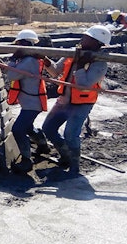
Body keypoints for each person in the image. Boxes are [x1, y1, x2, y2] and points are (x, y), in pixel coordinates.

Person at [42, 25, 112, 176]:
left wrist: (80, 65)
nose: (83, 38)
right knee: (48, 128)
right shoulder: (73, 53)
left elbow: (84, 86)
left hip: (82, 104)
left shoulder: (100, 62)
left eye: (87, 37)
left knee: (71, 134)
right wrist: (46, 61)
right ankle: (65, 156)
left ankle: (74, 166)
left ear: (96, 42)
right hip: (64, 100)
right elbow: (55, 71)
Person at [6, 29, 48, 174]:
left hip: (32, 104)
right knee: (28, 127)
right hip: (32, 102)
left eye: (18, 45)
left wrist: (12, 59)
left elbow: (12, 75)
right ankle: (43, 145)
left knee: (18, 129)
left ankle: (26, 161)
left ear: (23, 44)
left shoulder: (29, 61)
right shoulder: (29, 60)